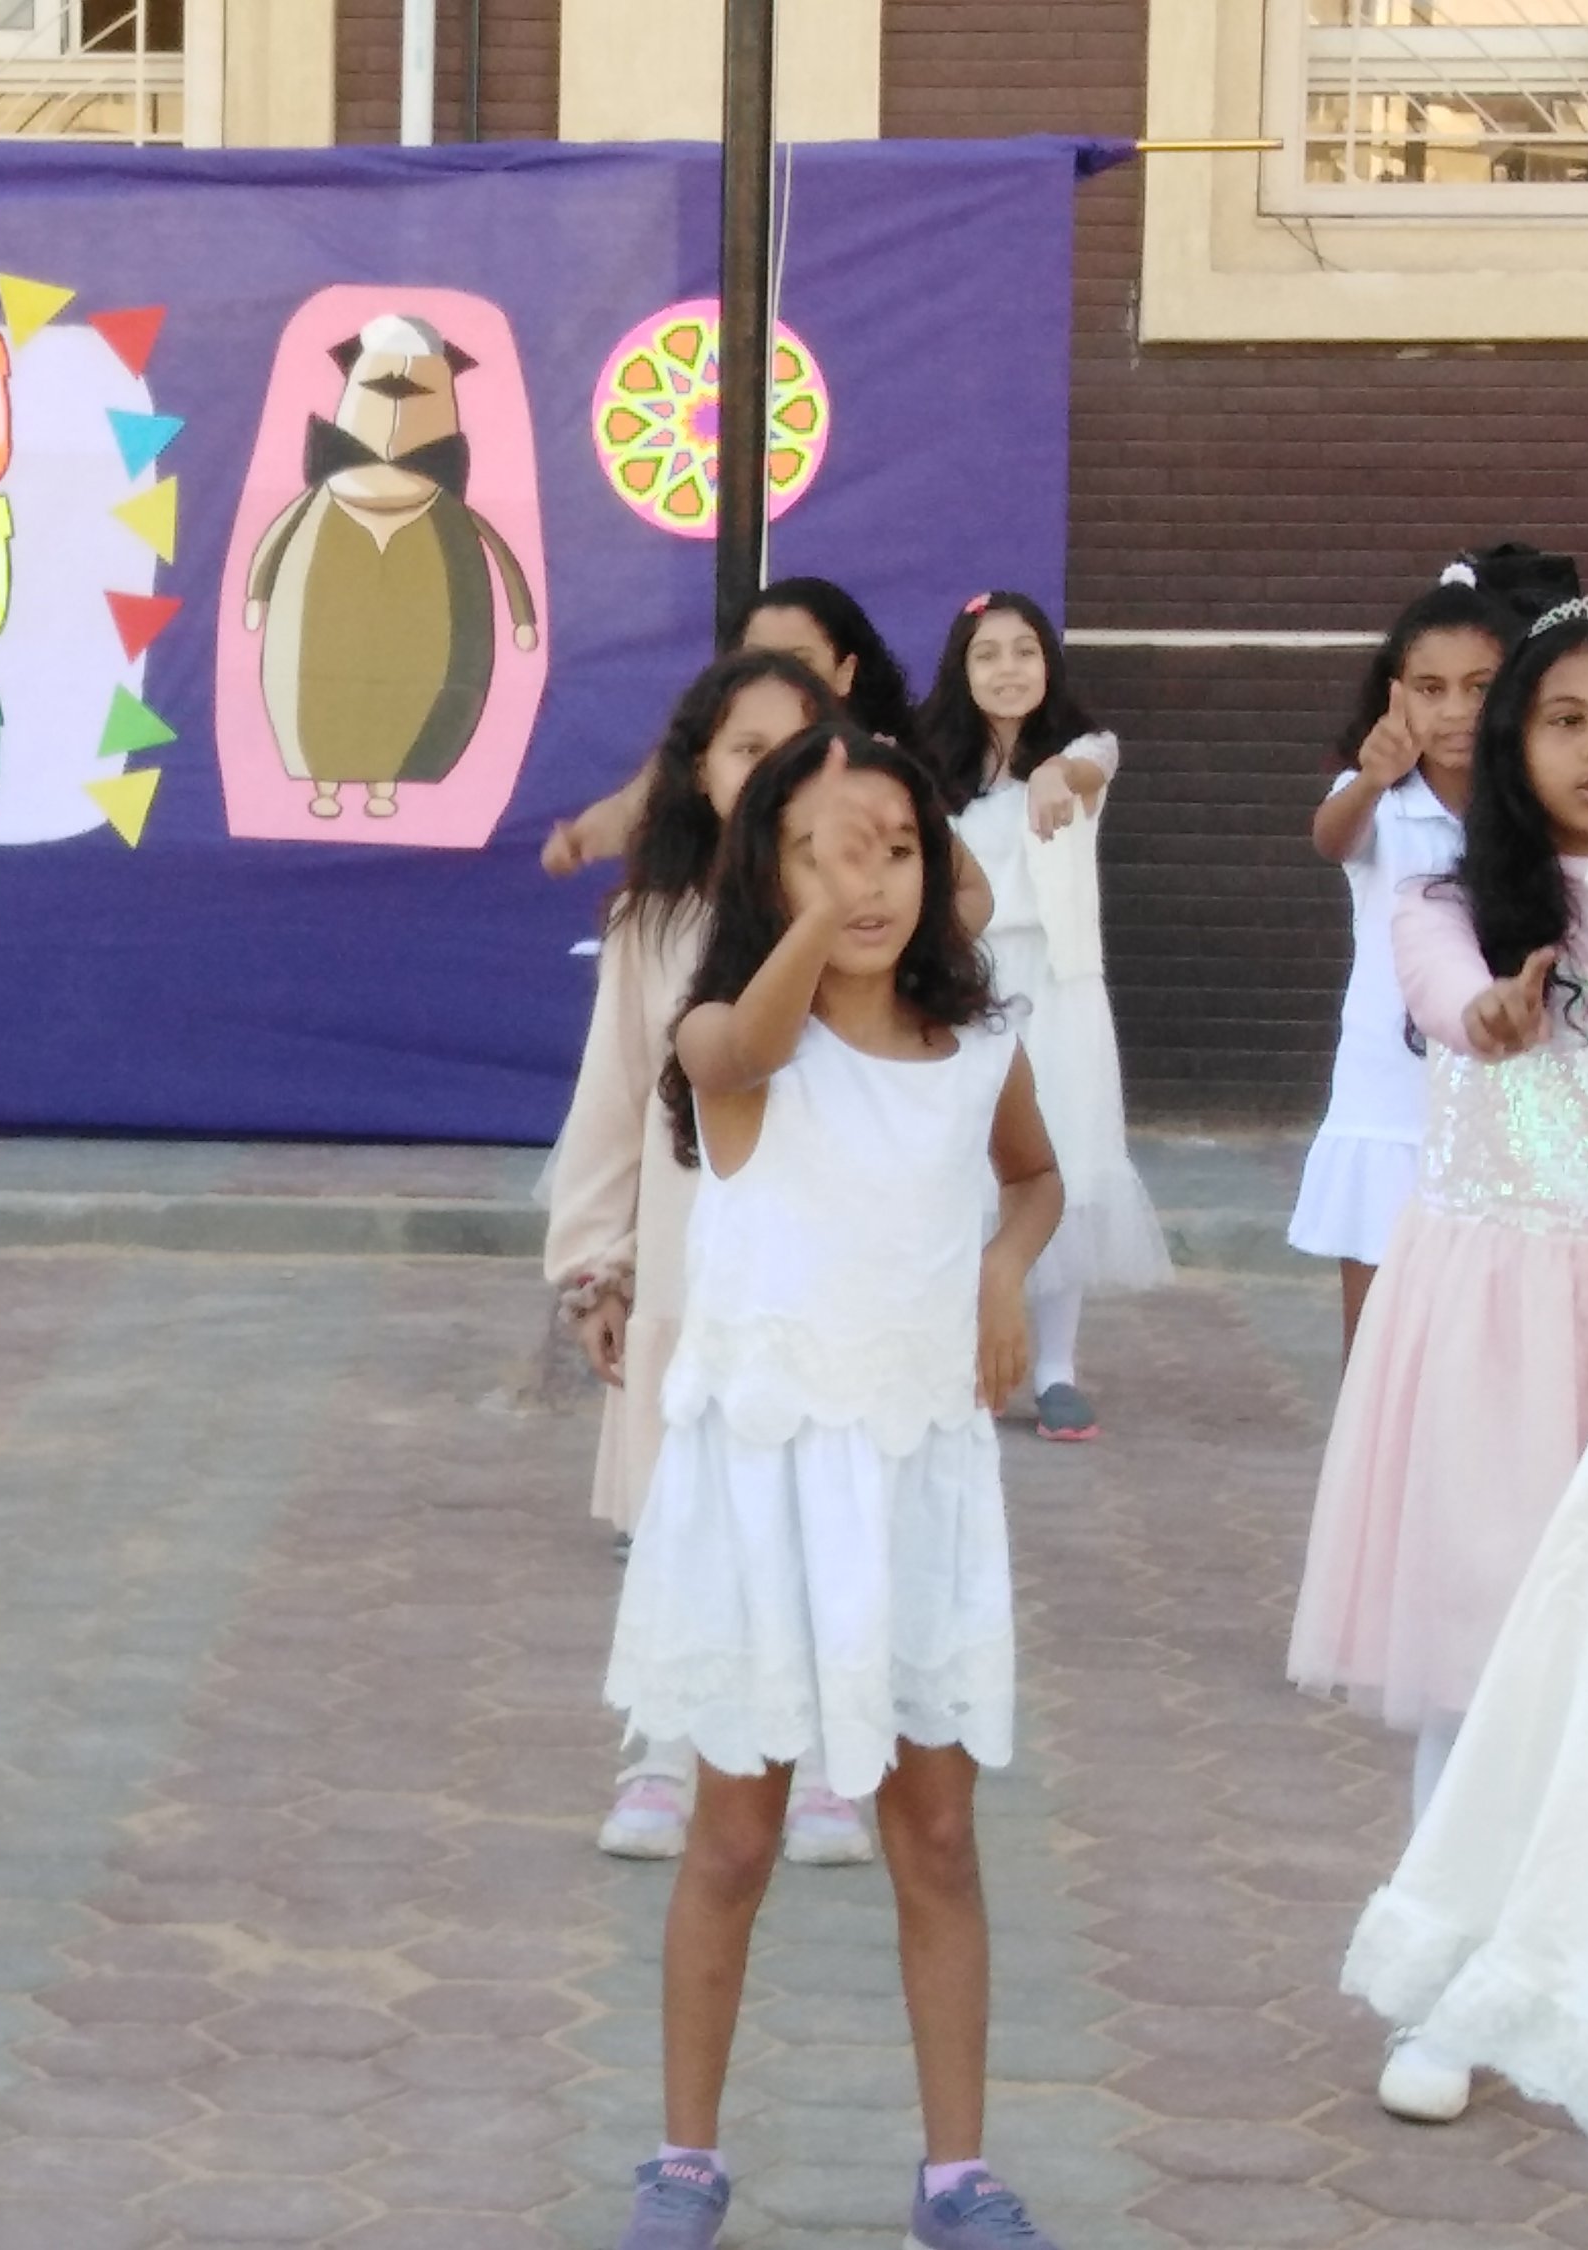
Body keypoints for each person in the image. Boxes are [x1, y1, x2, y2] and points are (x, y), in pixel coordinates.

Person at [605, 724, 1066, 2250]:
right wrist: (809, 914)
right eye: (817, 850)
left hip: (918, 1473)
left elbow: (1034, 1176)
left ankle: (957, 2173)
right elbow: (737, 1047)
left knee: (935, 1834)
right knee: (734, 1836)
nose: (864, 880)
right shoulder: (732, 1043)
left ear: (938, 863)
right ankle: (684, 2157)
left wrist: (1002, 1269)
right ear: (764, 875)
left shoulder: (978, 1043)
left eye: (893, 846)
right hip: (764, 1479)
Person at [1290, 596, 1588, 2126]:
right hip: (1489, 1318)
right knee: (1477, 1666)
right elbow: (1449, 1002)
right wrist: (1499, 1010)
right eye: (1565, 719)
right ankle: (1439, 1988)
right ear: (1513, 743)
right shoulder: (1442, 894)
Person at [550, 651, 884, 1869]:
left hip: (833, 1279)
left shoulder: (870, 921)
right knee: (683, 1520)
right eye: (745, 748)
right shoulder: (656, 923)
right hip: (692, 1276)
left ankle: (829, 1765)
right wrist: (598, 1267)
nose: (769, 771)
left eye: (796, 749)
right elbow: (612, 1104)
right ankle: (663, 1752)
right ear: (699, 768)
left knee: (821, 1515)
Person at [922, 591, 1170, 1442]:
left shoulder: (1085, 750)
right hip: (965, 984)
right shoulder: (927, 769)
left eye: (1024, 651)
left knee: (1063, 1163)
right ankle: (963, 1356)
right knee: (962, 1168)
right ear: (961, 669)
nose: (1008, 670)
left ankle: (1055, 1369)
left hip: (1059, 985)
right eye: (987, 654)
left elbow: (1088, 769)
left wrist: (1058, 774)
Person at [1290, 571, 1516, 1356]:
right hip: (1387, 1094)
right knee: (1378, 1340)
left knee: (1483, 1337)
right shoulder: (1376, 799)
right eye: (1431, 688)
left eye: (1480, 687)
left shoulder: (1528, 806)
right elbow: (1331, 839)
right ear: (1397, 697)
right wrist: (1372, 779)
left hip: (1500, 1098)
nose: (1456, 710)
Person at [543, 577, 915, 878]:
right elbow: (631, 807)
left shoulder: (883, 766)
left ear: (845, 672)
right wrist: (581, 838)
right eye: (758, 658)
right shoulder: (706, 743)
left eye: (799, 661)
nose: (776, 675)